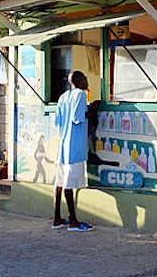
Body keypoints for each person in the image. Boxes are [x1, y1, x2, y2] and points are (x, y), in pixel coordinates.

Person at [52, 70, 95, 232]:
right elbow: (78, 117)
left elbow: (57, 120)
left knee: (59, 183)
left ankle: (57, 219)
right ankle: (73, 222)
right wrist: (94, 109)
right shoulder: (80, 95)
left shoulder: (63, 97)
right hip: (74, 146)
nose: (86, 81)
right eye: (84, 78)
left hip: (62, 146)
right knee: (69, 185)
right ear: (79, 80)